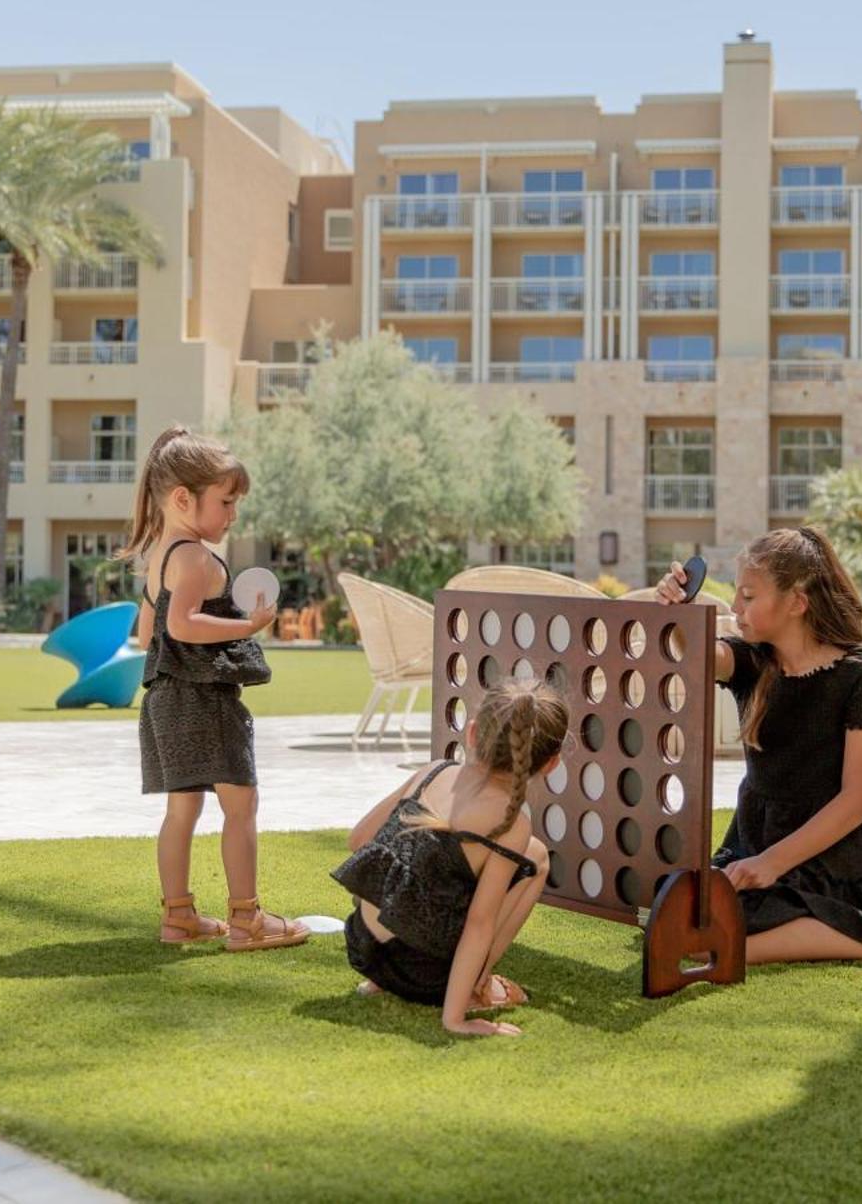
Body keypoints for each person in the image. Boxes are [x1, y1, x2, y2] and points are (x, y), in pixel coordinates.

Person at [657, 527, 862, 981]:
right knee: (679, 913)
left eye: (748, 596)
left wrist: (771, 864)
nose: (735, 609)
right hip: (756, 835)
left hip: (831, 846)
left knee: (709, 939)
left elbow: (857, 800)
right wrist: (677, 615)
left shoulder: (859, 674)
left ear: (796, 602)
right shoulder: (753, 661)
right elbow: (697, 655)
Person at [123, 425, 308, 951]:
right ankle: (247, 919)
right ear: (184, 499)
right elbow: (181, 626)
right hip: (203, 699)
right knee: (242, 805)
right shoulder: (198, 557)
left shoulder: (161, 554)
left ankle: (178, 915)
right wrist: (247, 626)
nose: (233, 515)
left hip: (163, 697)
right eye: (226, 502)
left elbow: (147, 631)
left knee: (182, 811)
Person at [332, 682, 565, 1036]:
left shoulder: (434, 772)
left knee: (523, 852)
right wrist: (454, 1020)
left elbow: (359, 840)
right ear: (551, 763)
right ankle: (477, 987)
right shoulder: (512, 824)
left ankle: (384, 982)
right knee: (538, 860)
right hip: (423, 978)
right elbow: (479, 923)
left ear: (471, 732)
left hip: (365, 951)